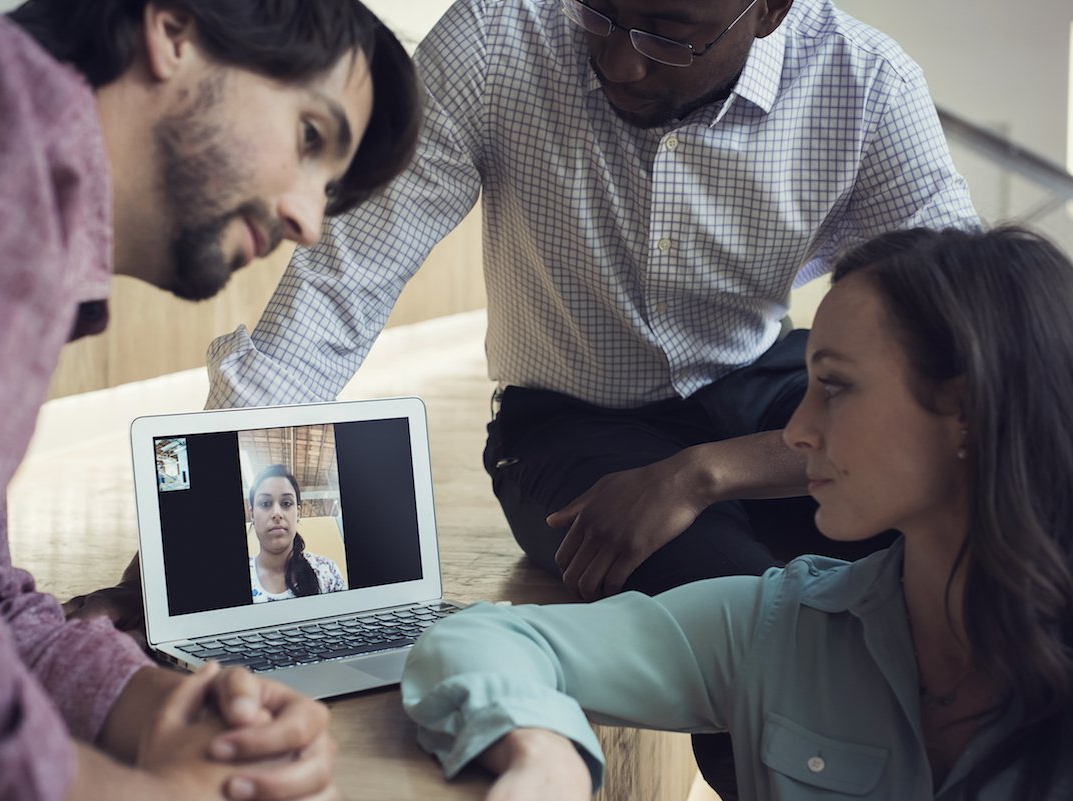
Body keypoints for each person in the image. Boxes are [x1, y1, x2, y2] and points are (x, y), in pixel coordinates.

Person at [204, 0, 981, 607]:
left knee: (964, 538)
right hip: (568, 423)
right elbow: (343, 283)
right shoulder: (494, 38)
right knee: (732, 604)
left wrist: (703, 473)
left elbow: (969, 348)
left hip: (765, 389)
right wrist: (198, 541)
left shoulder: (867, 85)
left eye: (671, 33)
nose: (619, 62)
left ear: (770, 11)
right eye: (600, 11)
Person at [0, 0, 419, 799]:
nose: (308, 219)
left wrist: (156, 706)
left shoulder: (19, 180)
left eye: (328, 187)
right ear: (173, 30)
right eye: (309, 137)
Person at [399, 226, 1073, 800]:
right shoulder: (779, 627)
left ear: (965, 412)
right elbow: (471, 643)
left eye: (834, 387)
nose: (798, 429)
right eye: (806, 385)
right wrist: (545, 754)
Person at [249, 465, 347, 601]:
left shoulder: (326, 571)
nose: (277, 513)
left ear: (298, 513)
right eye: (265, 504)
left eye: (286, 503)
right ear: (252, 514)